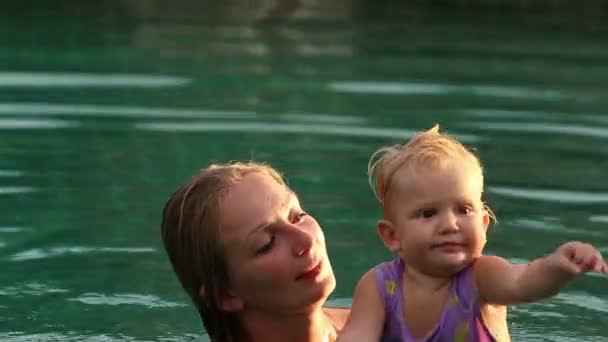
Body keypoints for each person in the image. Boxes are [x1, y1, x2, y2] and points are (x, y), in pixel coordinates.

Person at [337, 125, 608, 342]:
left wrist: (558, 267)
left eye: (463, 210)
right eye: (428, 213)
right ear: (392, 237)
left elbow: (524, 282)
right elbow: (357, 336)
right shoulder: (379, 287)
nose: (450, 224)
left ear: (483, 224)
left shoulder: (481, 278)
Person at [161, 162, 349, 342]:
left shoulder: (374, 323)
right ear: (224, 294)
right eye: (267, 243)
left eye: (297, 217)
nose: (306, 240)